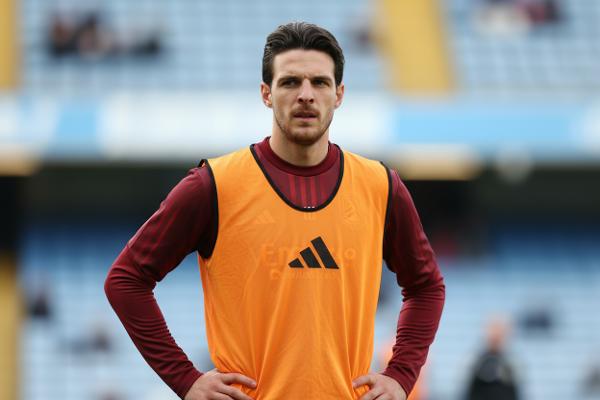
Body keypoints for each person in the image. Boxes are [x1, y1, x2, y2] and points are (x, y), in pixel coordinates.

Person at [105, 21, 445, 400]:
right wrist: (185, 379)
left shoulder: (380, 186)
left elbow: (426, 286)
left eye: (320, 82)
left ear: (339, 94)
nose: (306, 95)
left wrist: (401, 374)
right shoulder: (214, 185)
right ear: (266, 93)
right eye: (290, 82)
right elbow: (126, 280)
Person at [465, 317, 520, 400]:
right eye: (494, 333)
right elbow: (471, 392)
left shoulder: (510, 363)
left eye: (499, 334)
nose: (496, 338)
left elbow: (513, 393)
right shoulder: (477, 362)